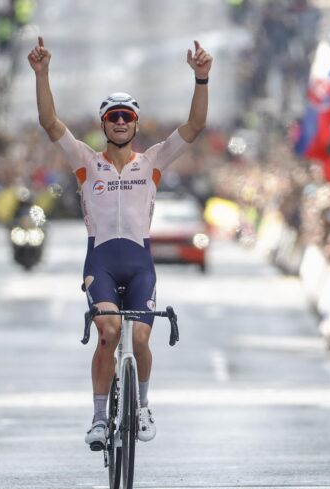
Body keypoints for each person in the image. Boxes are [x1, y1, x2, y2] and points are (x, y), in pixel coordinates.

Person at [28, 36, 211, 450]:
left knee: (141, 339)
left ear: (136, 124)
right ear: (104, 125)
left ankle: (142, 406)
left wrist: (201, 79)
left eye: (128, 116)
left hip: (140, 264)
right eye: (114, 117)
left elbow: (195, 126)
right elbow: (50, 123)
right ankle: (98, 417)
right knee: (108, 333)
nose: (121, 122)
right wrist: (42, 73)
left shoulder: (153, 162)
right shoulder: (86, 162)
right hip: (102, 264)